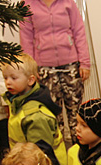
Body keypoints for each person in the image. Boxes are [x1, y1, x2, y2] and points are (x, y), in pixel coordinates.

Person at [19, 0, 91, 146]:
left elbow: (79, 31)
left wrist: (84, 62)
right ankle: (59, 157)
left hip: (71, 66)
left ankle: (80, 153)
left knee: (75, 113)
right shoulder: (27, 5)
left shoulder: (68, 3)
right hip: (44, 68)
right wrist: (31, 68)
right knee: (52, 115)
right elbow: (25, 38)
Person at [1, 53, 67, 165]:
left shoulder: (35, 115)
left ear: (31, 80)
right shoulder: (17, 102)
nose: (8, 82)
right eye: (5, 78)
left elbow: (41, 152)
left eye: (14, 78)